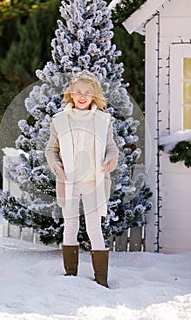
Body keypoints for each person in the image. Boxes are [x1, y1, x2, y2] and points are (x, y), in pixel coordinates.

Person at [45, 70, 119, 287]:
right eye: (78, 91)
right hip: (69, 183)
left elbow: (112, 148)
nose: (82, 96)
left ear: (94, 95)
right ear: (71, 93)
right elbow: (51, 149)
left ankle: (101, 280)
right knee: (70, 225)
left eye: (87, 92)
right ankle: (70, 276)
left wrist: (111, 160)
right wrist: (56, 165)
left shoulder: (103, 120)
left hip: (93, 184)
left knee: (94, 228)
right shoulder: (59, 120)